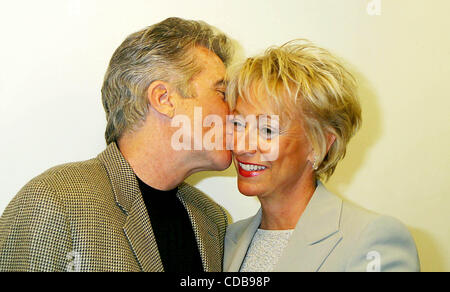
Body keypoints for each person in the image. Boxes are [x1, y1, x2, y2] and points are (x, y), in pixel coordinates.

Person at [0, 17, 233, 272]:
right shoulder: (55, 202)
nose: (233, 112)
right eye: (221, 93)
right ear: (163, 98)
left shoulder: (213, 220)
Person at [223, 40, 420, 272]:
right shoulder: (228, 239)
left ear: (320, 146)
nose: (241, 145)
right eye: (237, 124)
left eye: (267, 130)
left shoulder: (370, 240)